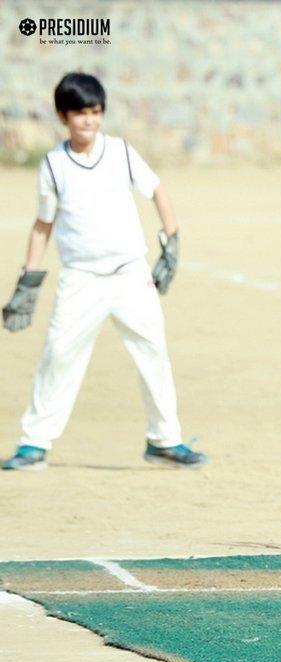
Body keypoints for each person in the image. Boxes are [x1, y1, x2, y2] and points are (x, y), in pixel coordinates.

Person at [1, 72, 207, 471]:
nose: (90, 121)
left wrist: (172, 242)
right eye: (81, 113)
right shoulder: (54, 165)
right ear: (63, 116)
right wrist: (28, 278)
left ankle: (165, 440)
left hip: (130, 275)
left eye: (96, 112)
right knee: (59, 355)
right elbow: (43, 225)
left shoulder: (121, 152)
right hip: (80, 278)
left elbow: (157, 190)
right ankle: (34, 443)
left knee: (153, 352)